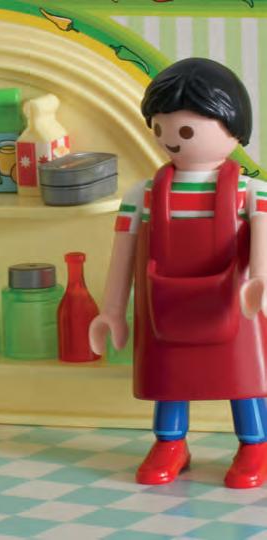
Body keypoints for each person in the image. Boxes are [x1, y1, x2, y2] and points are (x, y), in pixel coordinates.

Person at [90, 58, 267, 488]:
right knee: (170, 377)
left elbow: (262, 236)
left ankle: (255, 446)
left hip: (235, 301)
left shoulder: (251, 191)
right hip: (164, 302)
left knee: (245, 376)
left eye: (185, 131)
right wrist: (112, 310)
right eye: (160, 128)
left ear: (232, 127)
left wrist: (260, 280)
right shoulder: (143, 194)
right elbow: (124, 252)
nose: (171, 139)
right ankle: (170, 443)